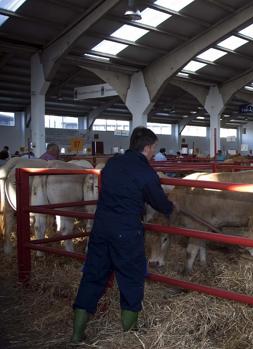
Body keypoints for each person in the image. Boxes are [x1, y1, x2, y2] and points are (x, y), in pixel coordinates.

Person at [70, 127, 174, 343]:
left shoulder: (112, 163)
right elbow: (158, 201)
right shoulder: (146, 172)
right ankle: (129, 337)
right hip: (126, 231)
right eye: (153, 148)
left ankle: (76, 336)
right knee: (131, 280)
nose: (154, 152)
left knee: (92, 278)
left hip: (101, 228)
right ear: (146, 148)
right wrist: (172, 207)